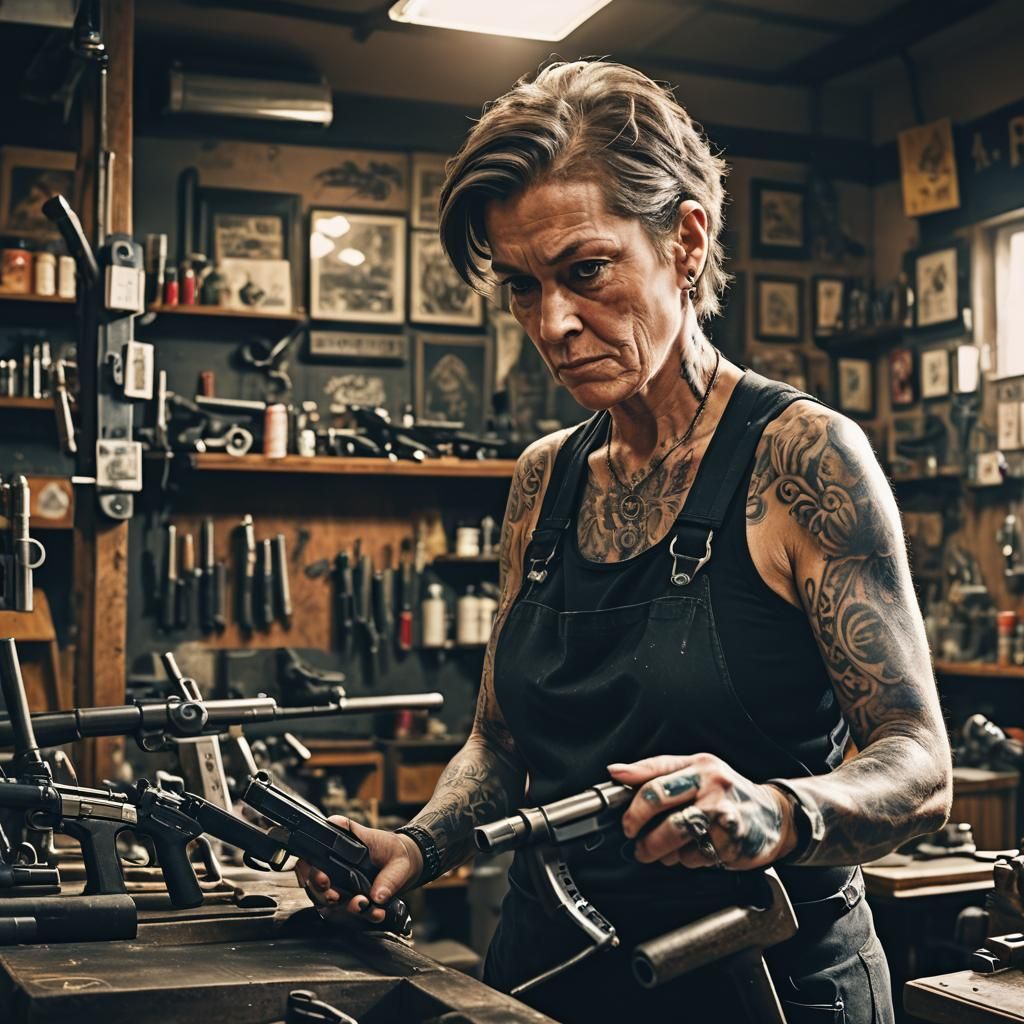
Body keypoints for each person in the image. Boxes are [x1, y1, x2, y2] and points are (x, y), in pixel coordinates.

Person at [297, 60, 952, 1023]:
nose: (553, 323)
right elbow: (497, 739)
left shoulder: (803, 460)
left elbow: (920, 763)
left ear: (686, 240)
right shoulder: (544, 478)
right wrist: (422, 844)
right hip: (552, 974)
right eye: (522, 287)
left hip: (759, 982)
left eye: (585, 271)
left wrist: (779, 810)